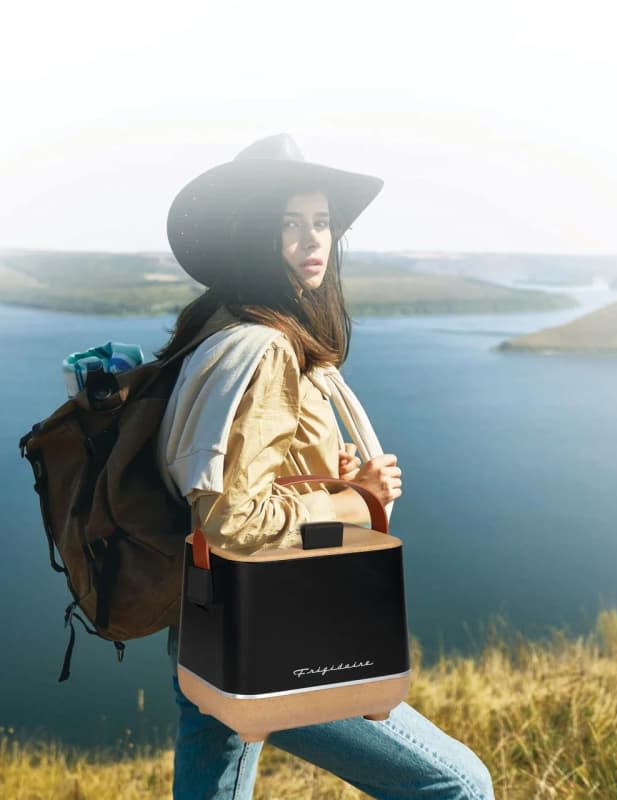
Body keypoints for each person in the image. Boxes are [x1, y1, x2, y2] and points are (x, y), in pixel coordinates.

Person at [156, 133, 496, 800]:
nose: (312, 240)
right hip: (269, 638)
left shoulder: (216, 327)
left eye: (320, 222)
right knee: (458, 785)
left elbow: (216, 470)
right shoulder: (268, 350)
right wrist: (358, 500)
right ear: (252, 235)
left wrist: (324, 478)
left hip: (202, 626)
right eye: (287, 225)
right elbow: (231, 519)